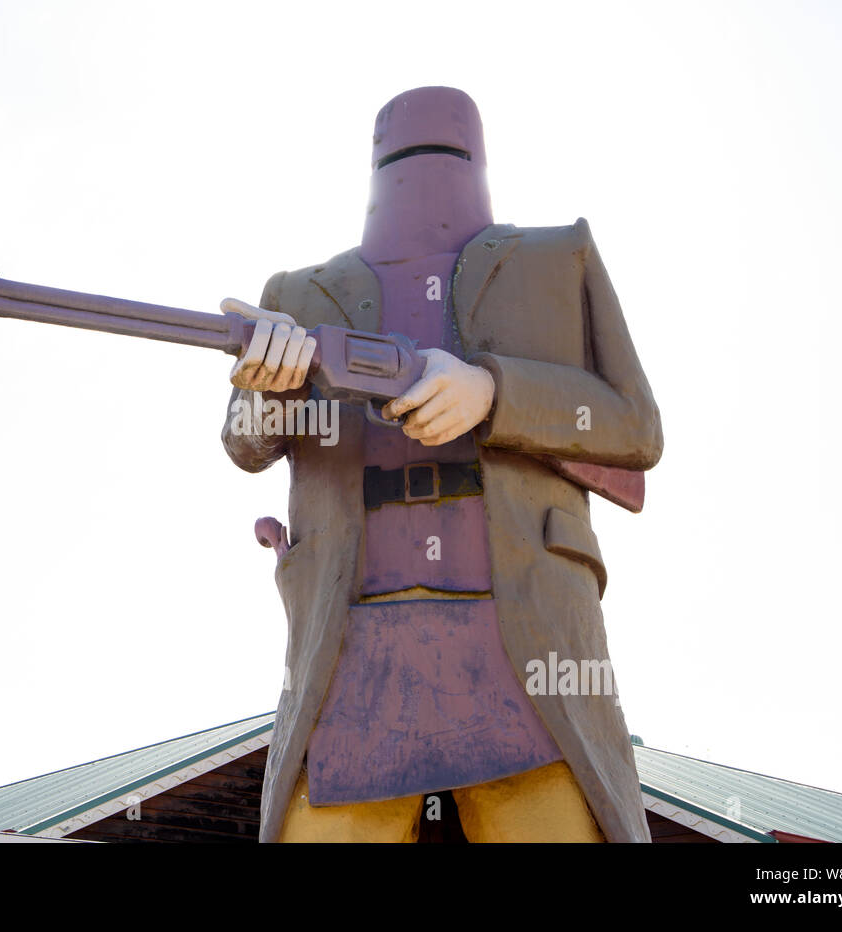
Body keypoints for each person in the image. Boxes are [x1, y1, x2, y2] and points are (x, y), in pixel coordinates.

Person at [221, 87, 663, 842]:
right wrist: (269, 391)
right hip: (349, 643)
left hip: (530, 636)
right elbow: (244, 441)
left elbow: (634, 426)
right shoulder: (294, 295)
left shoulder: (560, 257)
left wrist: (494, 392)